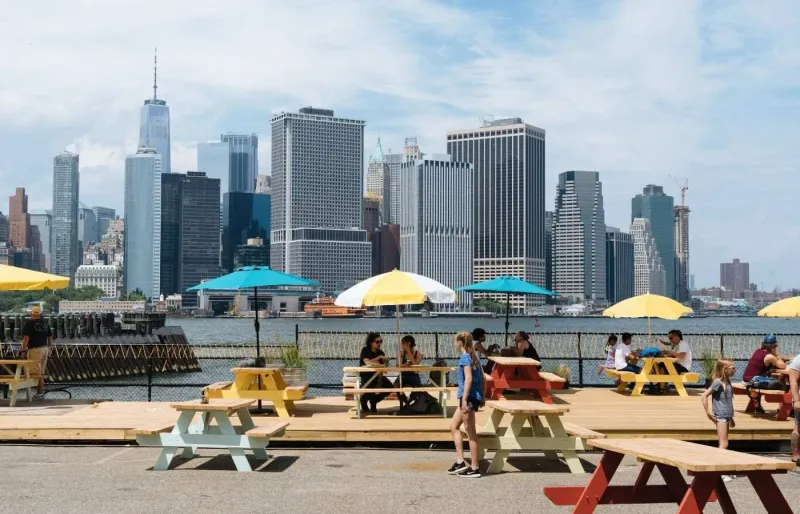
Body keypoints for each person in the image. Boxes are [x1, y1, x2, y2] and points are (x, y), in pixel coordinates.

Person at [448, 331, 486, 478]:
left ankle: (475, 467)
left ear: (460, 342)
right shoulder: (474, 357)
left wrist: (464, 400)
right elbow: (483, 378)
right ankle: (460, 461)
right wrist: (482, 396)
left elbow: (468, 379)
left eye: (456, 342)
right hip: (473, 397)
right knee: (454, 426)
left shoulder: (465, 357)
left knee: (471, 433)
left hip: (467, 398)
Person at [701, 359, 736, 481]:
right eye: (732, 368)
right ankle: (719, 472)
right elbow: (704, 396)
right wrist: (708, 413)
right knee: (723, 443)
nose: (734, 370)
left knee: (725, 443)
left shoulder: (728, 382)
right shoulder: (717, 383)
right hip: (720, 415)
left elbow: (728, 401)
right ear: (724, 369)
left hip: (726, 415)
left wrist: (731, 417)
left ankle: (723, 469)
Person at [742, 334, 787, 414]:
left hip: (747, 379)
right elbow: (783, 366)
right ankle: (785, 408)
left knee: (775, 378)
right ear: (774, 346)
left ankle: (758, 406)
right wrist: (776, 355)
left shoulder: (757, 351)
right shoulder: (770, 356)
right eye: (776, 346)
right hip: (754, 381)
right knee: (782, 385)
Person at [20, 305, 53, 397]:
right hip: (45, 349)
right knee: (41, 372)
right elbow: (50, 337)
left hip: (35, 350)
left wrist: (23, 350)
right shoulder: (45, 323)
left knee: (35, 373)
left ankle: (38, 393)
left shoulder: (29, 323)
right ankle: (40, 392)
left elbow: (26, 338)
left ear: (31, 313)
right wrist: (49, 348)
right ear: (40, 313)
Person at [358, 332, 392, 414]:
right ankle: (366, 401)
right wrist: (378, 358)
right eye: (377, 342)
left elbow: (385, 369)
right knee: (370, 387)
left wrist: (386, 361)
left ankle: (374, 401)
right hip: (366, 376)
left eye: (381, 341)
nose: (379, 343)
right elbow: (367, 362)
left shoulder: (381, 352)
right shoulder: (366, 350)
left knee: (390, 387)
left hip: (377, 376)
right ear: (371, 342)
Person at [396, 335, 423, 408]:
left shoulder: (419, 354)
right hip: (403, 375)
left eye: (403, 343)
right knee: (396, 387)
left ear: (409, 344)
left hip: (413, 375)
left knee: (418, 387)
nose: (402, 345)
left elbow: (416, 368)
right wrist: (403, 365)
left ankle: (409, 401)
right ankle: (406, 401)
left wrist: (409, 352)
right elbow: (397, 365)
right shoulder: (401, 353)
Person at [788, 353, 800, 467]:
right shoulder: (798, 360)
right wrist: (796, 400)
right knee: (797, 427)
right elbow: (793, 381)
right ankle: (796, 455)